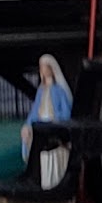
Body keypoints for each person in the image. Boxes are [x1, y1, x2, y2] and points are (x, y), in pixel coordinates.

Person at [21, 54, 73, 190]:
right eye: (41, 67)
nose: (42, 70)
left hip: (53, 126)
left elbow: (66, 112)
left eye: (44, 67)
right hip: (40, 126)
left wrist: (55, 119)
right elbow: (34, 112)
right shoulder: (41, 91)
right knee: (30, 137)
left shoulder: (59, 91)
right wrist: (27, 125)